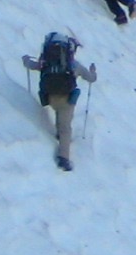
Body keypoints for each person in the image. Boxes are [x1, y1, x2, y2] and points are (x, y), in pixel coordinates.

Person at [22, 31, 97, 170]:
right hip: (67, 99)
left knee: (58, 113)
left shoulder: (46, 63)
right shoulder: (74, 66)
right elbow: (91, 78)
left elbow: (30, 65)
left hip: (49, 96)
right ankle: (64, 158)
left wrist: (26, 60)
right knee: (65, 128)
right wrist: (93, 71)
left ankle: (58, 133)